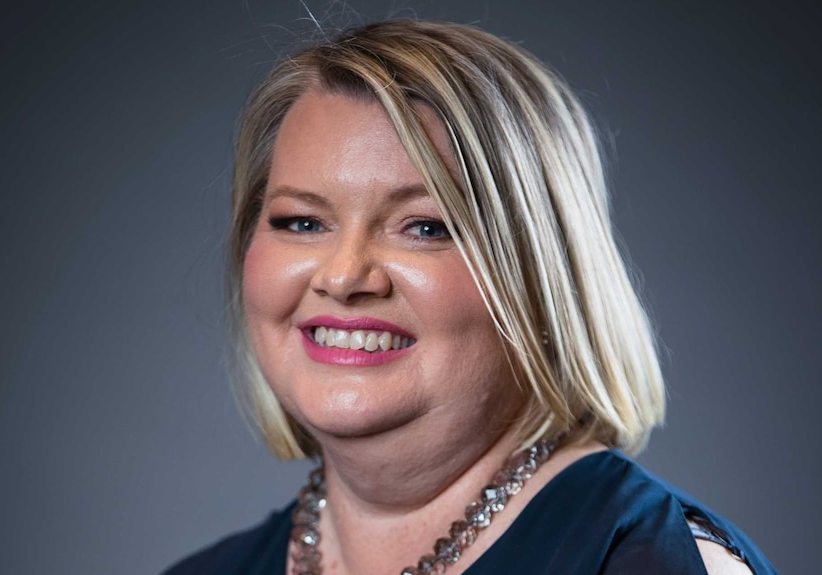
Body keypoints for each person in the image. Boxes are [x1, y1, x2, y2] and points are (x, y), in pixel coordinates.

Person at [164, 19, 778, 575]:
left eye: (427, 227)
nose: (345, 276)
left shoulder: (654, 563)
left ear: (539, 274)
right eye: (302, 221)